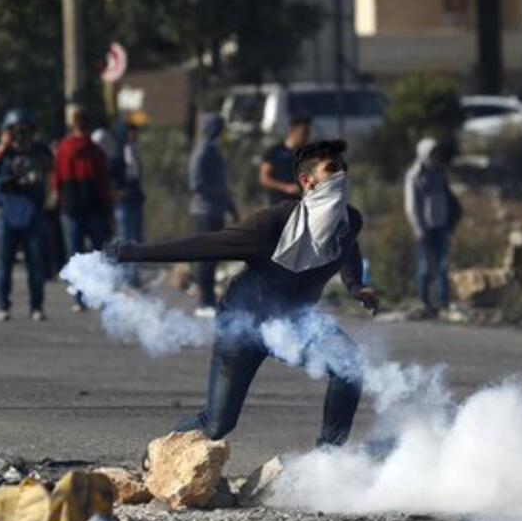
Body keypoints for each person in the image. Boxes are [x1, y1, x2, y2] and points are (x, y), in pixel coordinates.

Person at [108, 140, 379, 445]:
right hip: (243, 323)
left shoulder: (350, 220)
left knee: (349, 366)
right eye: (331, 169)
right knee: (217, 424)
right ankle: (158, 455)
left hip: (294, 322)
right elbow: (205, 245)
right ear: (307, 181)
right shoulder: (272, 225)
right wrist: (134, 253)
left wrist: (356, 285)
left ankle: (328, 459)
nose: (341, 176)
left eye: (343, 169)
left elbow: (347, 247)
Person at [0, 108, 53, 322]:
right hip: (7, 212)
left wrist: (34, 151)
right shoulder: (3, 153)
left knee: (35, 264)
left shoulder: (39, 151)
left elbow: (51, 166)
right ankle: (3, 306)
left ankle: (36, 306)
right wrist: (4, 146)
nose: (21, 136)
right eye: (16, 131)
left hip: (32, 212)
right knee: (4, 264)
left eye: (25, 131)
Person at [54, 106, 112, 307]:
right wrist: (107, 208)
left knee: (75, 255)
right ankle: (101, 295)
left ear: (73, 124)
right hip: (93, 207)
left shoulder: (63, 149)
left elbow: (58, 181)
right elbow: (104, 183)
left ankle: (80, 298)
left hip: (71, 208)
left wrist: (59, 203)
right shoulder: (96, 151)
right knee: (98, 255)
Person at [188, 114, 239, 318]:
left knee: (215, 257)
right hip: (204, 211)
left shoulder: (215, 152)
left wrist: (232, 209)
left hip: (217, 210)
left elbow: (223, 186)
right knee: (206, 258)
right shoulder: (201, 152)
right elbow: (196, 185)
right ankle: (204, 302)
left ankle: (209, 299)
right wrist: (218, 192)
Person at [404, 137, 456, 316]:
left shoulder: (440, 173)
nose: (436, 156)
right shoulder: (415, 175)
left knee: (443, 265)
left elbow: (446, 198)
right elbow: (411, 205)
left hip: (440, 225)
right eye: (432, 153)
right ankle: (423, 301)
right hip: (424, 227)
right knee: (425, 265)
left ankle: (443, 302)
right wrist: (417, 228)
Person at [111, 117, 146, 286]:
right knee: (125, 239)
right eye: (131, 131)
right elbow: (110, 178)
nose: (135, 134)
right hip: (123, 204)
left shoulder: (135, 151)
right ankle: (124, 277)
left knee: (137, 239)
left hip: (136, 201)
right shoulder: (117, 154)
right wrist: (117, 192)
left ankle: (134, 276)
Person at [258, 115, 310, 204]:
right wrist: (286, 187)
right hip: (279, 202)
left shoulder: (306, 154)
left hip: (299, 203)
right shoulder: (275, 152)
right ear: (293, 131)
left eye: (307, 133)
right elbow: (264, 178)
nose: (306, 137)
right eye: (303, 133)